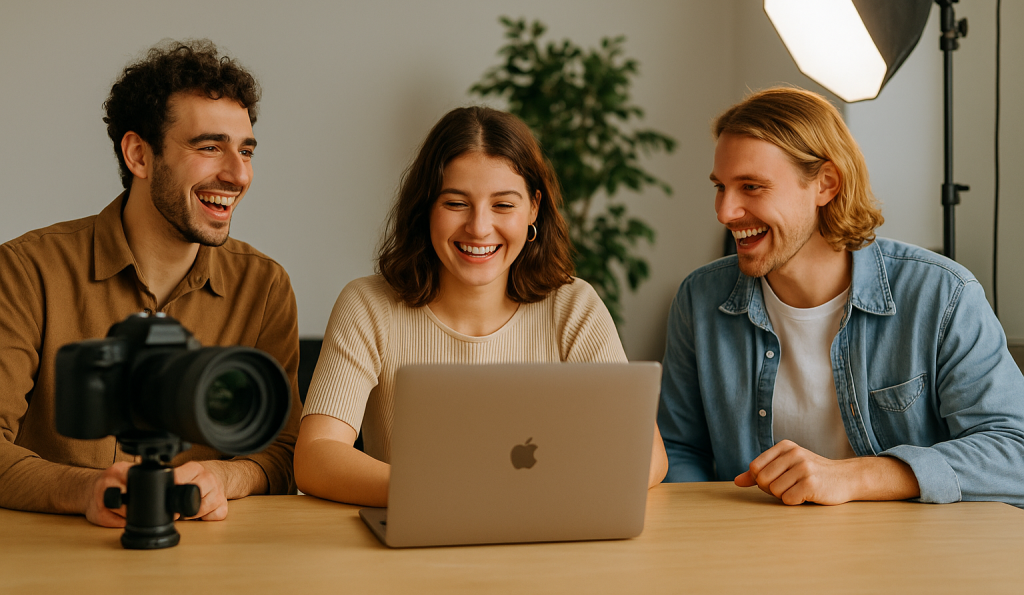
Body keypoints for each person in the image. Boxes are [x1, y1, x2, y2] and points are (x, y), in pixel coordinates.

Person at [658, 86, 1024, 507]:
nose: (725, 212)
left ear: (826, 185)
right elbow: (679, 451)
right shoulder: (699, 299)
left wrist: (859, 477)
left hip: (908, 558)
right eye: (721, 187)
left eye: (752, 187)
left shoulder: (941, 295)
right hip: (751, 558)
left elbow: (1014, 451)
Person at [295, 106, 668, 505]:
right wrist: (446, 495)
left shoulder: (574, 306)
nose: (479, 227)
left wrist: (540, 496)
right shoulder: (368, 305)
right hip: (414, 546)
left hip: (547, 541)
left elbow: (647, 456)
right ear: (426, 209)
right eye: (456, 203)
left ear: (533, 209)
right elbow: (316, 456)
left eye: (503, 205)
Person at [0, 40, 302, 527]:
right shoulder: (25, 271)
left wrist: (225, 478)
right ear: (139, 154)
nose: (238, 174)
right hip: (56, 559)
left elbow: (286, 452)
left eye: (245, 150)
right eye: (209, 147)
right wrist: (83, 490)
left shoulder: (263, 286)